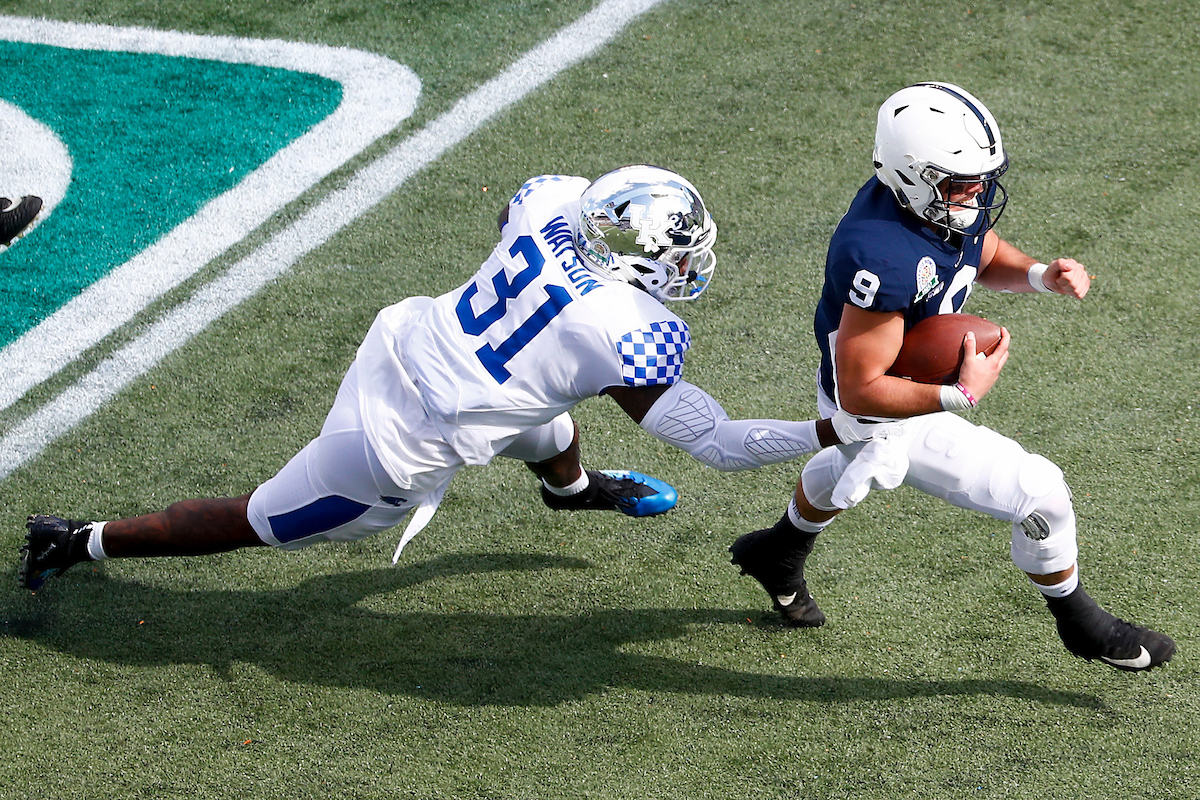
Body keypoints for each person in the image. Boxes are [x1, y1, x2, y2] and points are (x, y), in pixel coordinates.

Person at [21, 165, 857, 592]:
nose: (689, 265)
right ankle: (82, 538)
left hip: (403, 339)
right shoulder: (636, 333)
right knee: (256, 521)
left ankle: (568, 491)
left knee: (543, 412)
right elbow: (712, 442)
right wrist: (832, 429)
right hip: (391, 449)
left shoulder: (549, 204)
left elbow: (513, 223)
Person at [729, 83, 1175, 672]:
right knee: (1040, 491)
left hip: (881, 386)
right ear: (912, 175)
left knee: (840, 467)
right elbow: (864, 388)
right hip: (880, 406)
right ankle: (1081, 624)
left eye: (980, 181)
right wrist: (957, 393)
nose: (977, 194)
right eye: (962, 183)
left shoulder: (930, 200)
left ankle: (778, 550)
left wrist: (1041, 275)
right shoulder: (880, 253)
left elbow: (982, 249)